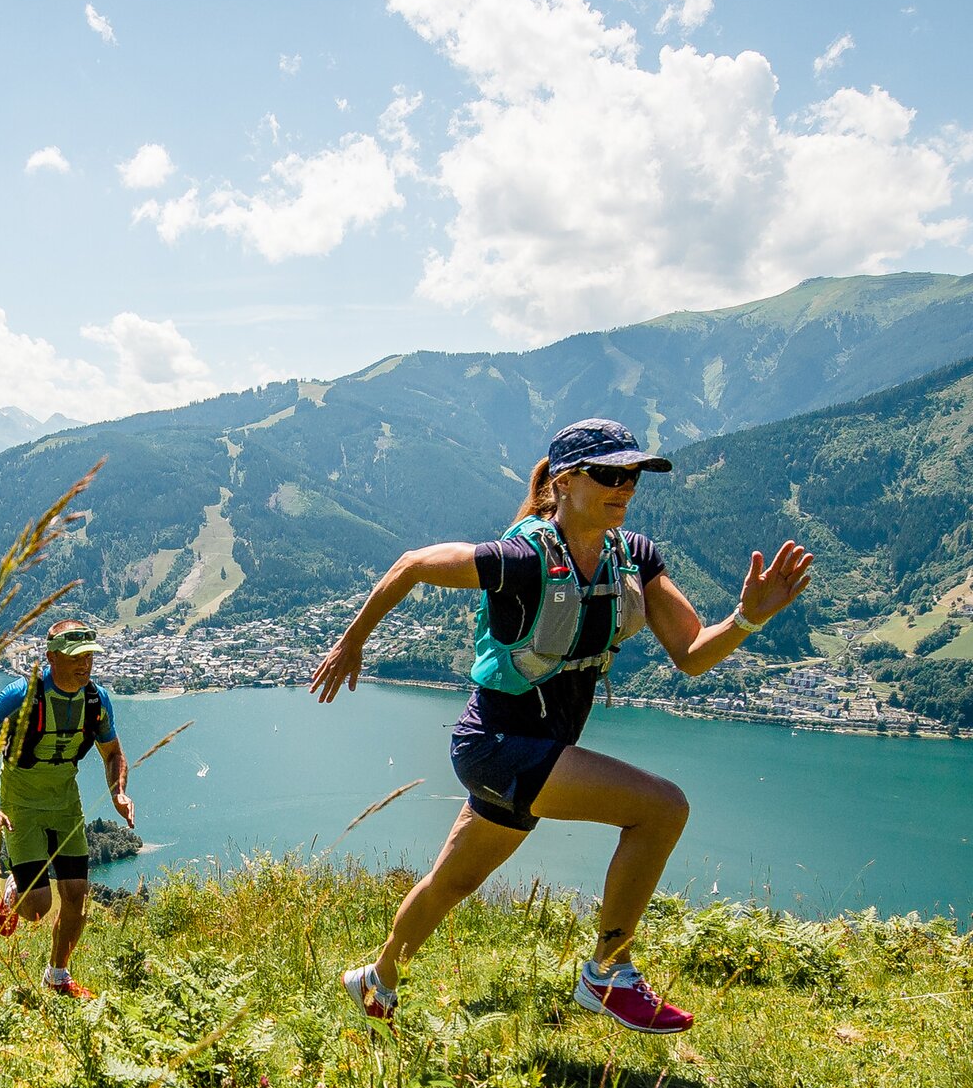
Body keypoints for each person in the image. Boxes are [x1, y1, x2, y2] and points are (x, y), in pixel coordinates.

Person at [310, 418, 812, 1034]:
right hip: (497, 744)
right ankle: (608, 972)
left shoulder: (635, 558)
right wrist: (352, 643)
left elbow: (691, 654)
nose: (624, 487)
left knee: (453, 882)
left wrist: (744, 619)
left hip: (532, 747)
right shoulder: (521, 560)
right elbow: (414, 563)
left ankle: (376, 981)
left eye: (632, 475)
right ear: (566, 482)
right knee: (661, 808)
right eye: (608, 474)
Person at [0, 620, 135, 999]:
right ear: (51, 657)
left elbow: (113, 753)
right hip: (21, 803)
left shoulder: (96, 700)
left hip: (64, 802)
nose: (85, 664)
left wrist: (117, 793)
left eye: (90, 656)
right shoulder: (21, 695)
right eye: (76, 657)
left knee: (77, 893)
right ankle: (15, 892)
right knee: (37, 909)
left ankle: (57, 975)